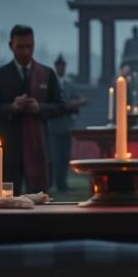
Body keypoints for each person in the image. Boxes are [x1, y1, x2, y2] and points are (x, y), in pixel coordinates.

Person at [0, 25, 66, 195]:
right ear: (10, 46)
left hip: (38, 147)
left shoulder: (46, 73)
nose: (26, 52)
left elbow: (61, 106)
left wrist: (39, 108)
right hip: (9, 149)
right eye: (21, 47)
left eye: (30, 46)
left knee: (39, 200)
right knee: (6, 201)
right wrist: (12, 107)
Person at [48, 54, 86, 192]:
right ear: (56, 67)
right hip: (54, 125)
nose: (61, 68)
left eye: (63, 66)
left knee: (65, 157)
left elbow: (79, 98)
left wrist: (78, 103)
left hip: (67, 126)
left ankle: (62, 184)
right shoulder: (51, 84)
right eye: (59, 66)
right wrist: (72, 104)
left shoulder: (68, 84)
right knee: (54, 158)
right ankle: (53, 184)